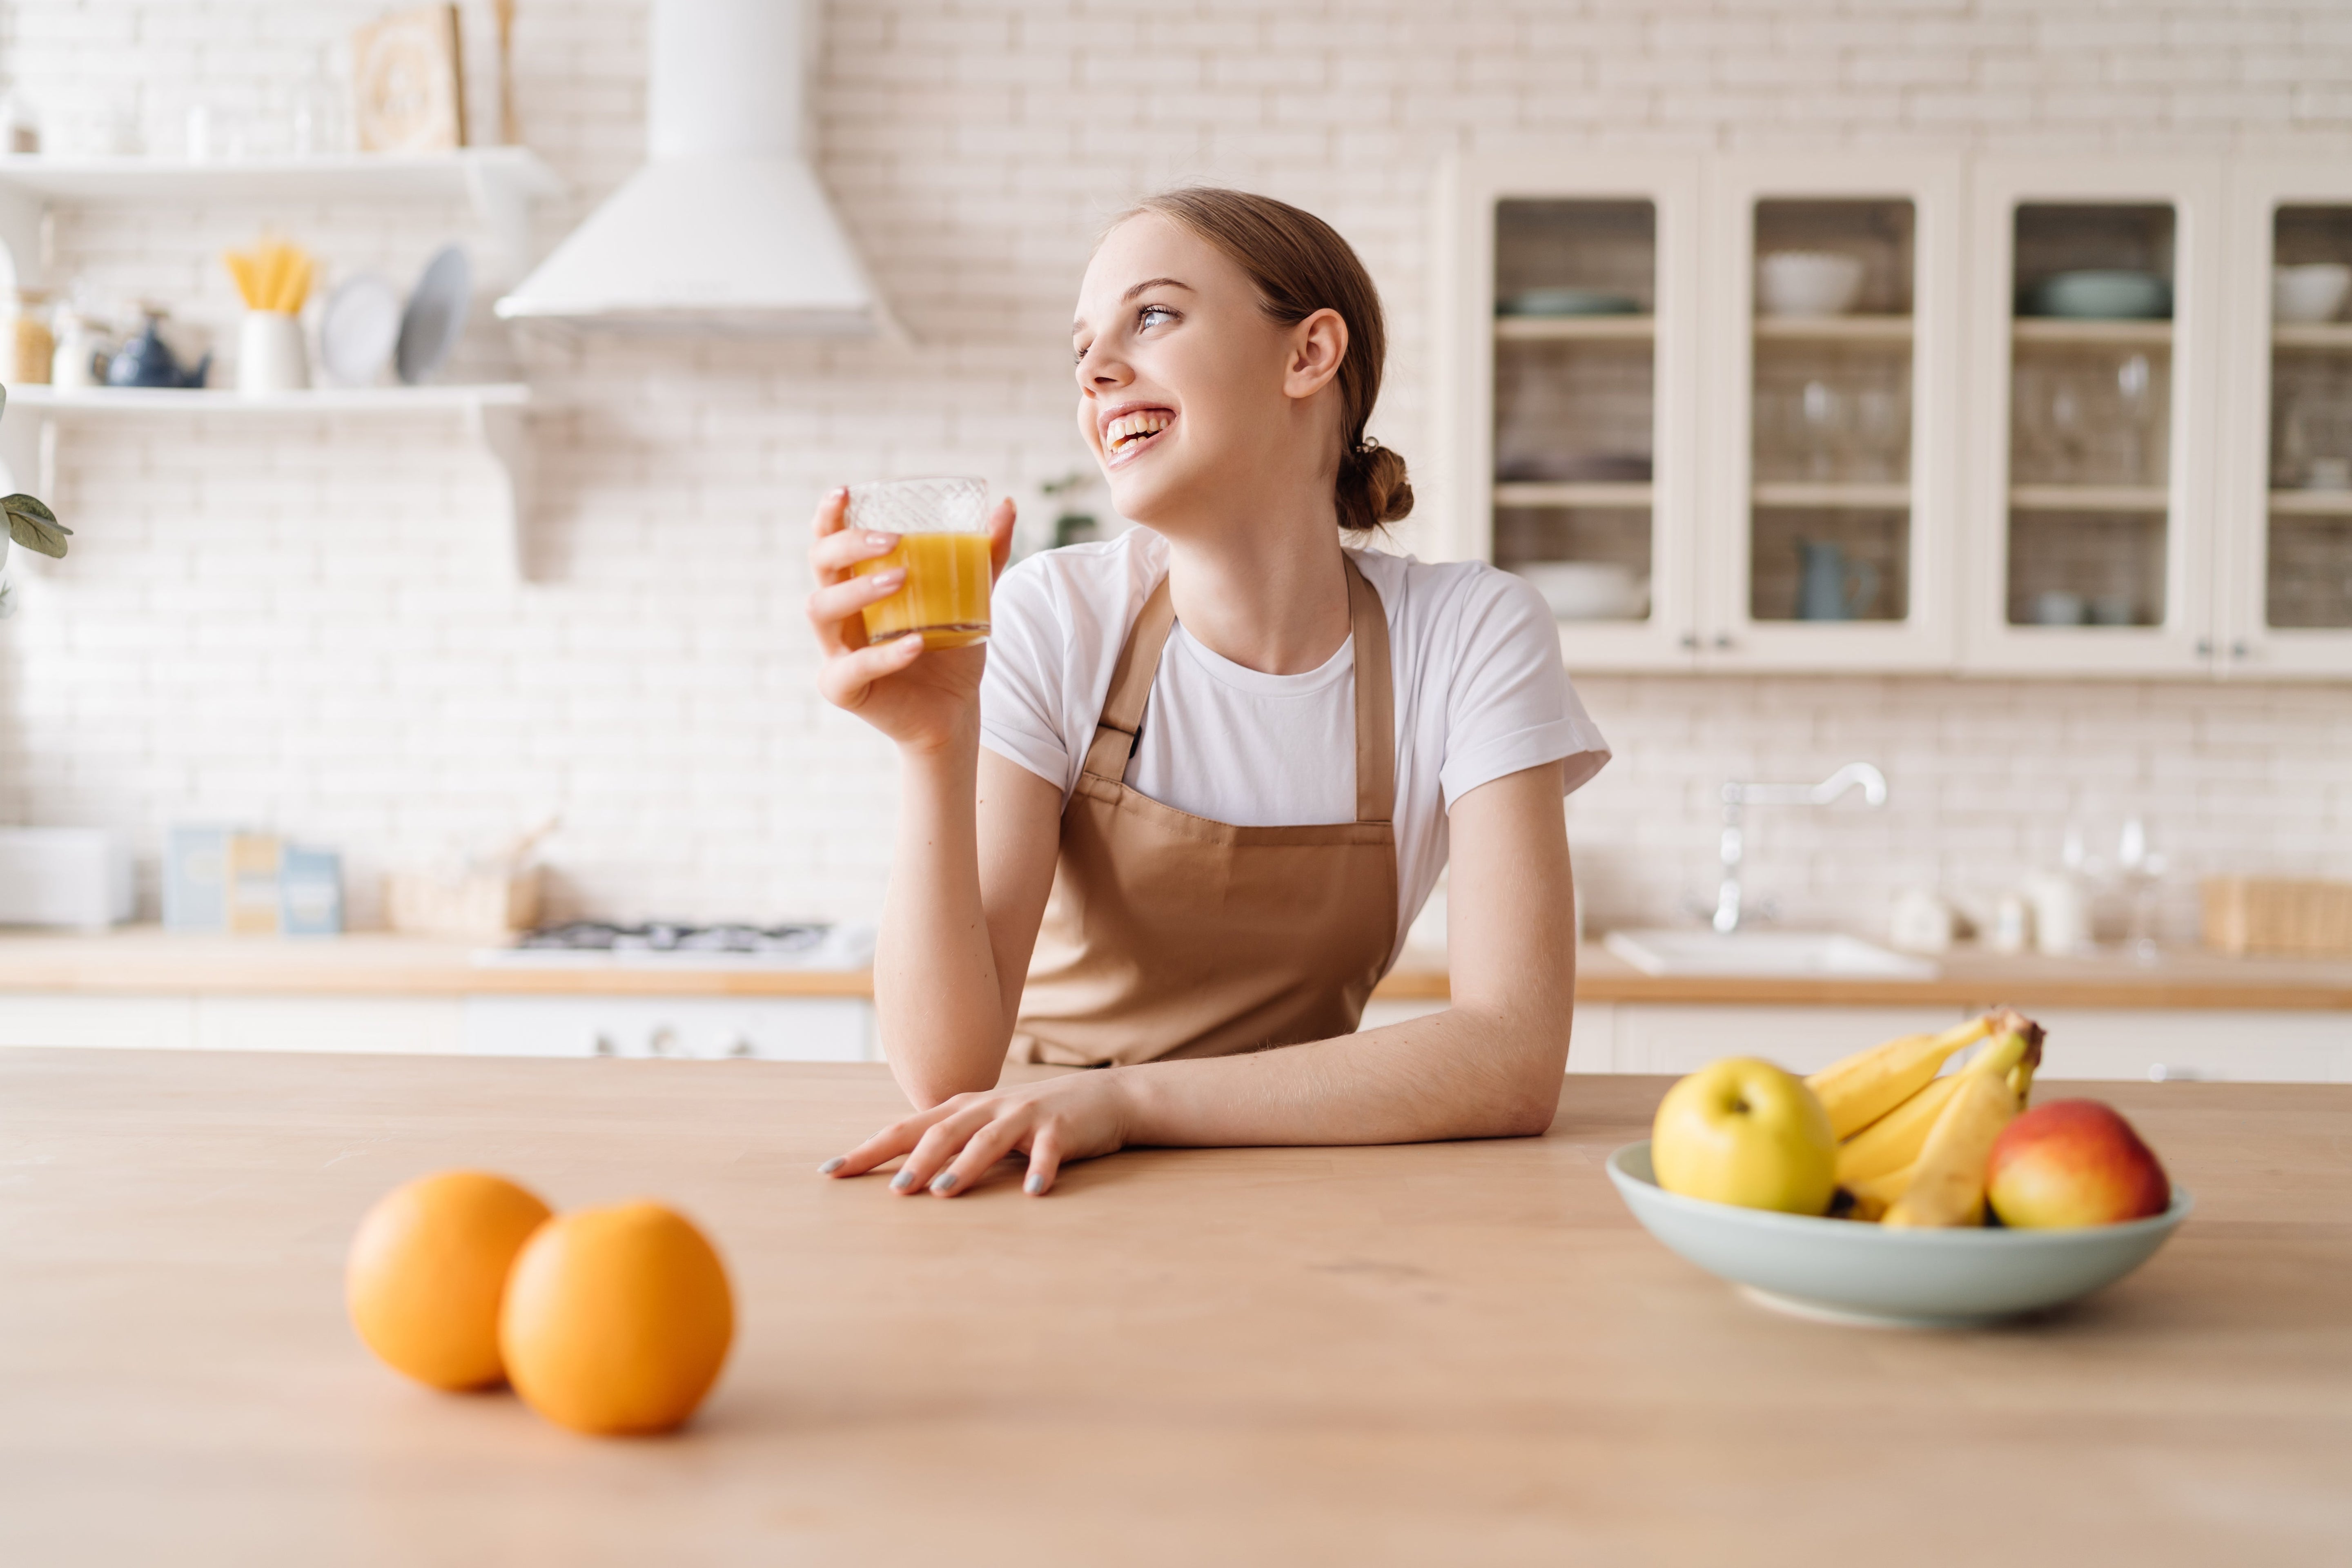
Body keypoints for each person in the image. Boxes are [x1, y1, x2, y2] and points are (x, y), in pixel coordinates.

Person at [804, 187, 1609, 1197]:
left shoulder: (1468, 634)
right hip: (1037, 1175)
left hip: (1297, 1182)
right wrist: (934, 745)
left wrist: (1125, 1103)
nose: (1096, 371)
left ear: (1309, 354)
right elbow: (944, 1074)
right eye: (1082, 348)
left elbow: (1511, 1056)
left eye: (1152, 315)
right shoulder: (1059, 617)